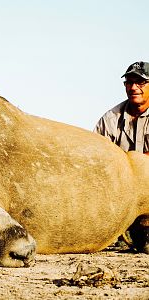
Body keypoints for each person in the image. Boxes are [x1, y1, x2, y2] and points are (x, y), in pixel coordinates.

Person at [94, 61, 149, 254]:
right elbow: (97, 158)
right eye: (129, 82)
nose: (134, 87)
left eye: (141, 82)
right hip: (120, 192)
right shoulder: (110, 119)